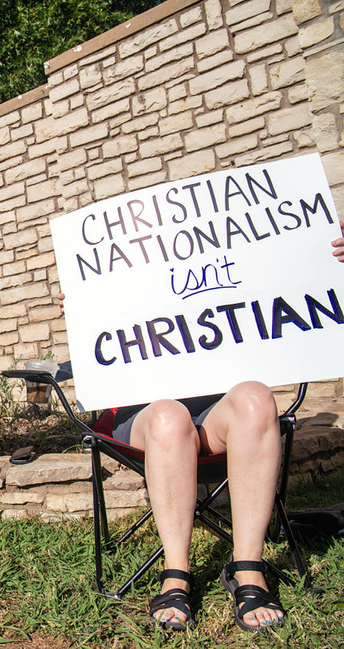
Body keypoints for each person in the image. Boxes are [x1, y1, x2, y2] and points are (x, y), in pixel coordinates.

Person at [58, 221, 344, 632]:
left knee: (256, 398)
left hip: (214, 407)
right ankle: (177, 572)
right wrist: (87, 308)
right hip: (143, 415)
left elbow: (282, 275)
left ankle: (248, 567)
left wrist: (321, 262)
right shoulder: (122, 276)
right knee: (168, 415)